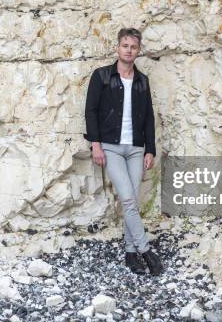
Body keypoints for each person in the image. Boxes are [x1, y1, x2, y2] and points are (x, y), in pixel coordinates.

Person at [83, 27, 164, 276]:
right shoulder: (102, 76)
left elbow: (149, 117)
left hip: (136, 148)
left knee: (133, 202)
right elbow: (91, 111)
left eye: (133, 47)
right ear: (117, 48)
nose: (129, 50)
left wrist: (149, 149)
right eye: (125, 46)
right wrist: (96, 144)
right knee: (128, 199)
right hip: (111, 147)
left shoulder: (142, 81)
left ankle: (130, 253)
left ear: (138, 50)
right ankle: (145, 250)